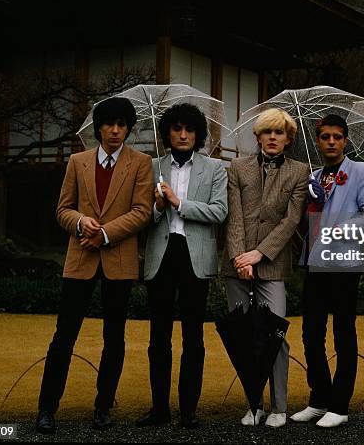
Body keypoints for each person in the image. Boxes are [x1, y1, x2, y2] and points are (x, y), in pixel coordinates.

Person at [35, 97, 153, 435]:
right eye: (109, 124)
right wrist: (80, 221)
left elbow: (142, 212)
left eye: (122, 125)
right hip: (80, 260)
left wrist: (103, 234)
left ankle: (103, 407)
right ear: (98, 127)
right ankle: (46, 409)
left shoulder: (141, 163)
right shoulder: (78, 161)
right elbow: (62, 209)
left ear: (129, 129)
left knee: (114, 338)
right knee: (63, 337)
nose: (115, 131)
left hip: (118, 261)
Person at [136, 103, 228, 429]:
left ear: (198, 133)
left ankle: (189, 409)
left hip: (195, 258)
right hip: (161, 257)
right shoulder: (149, 167)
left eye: (189, 129)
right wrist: (158, 208)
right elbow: (139, 217)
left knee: (193, 337)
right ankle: (159, 408)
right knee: (158, 337)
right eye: (176, 129)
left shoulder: (215, 168)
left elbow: (219, 212)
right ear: (168, 133)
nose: (183, 134)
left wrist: (179, 203)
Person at [291, 114, 364, 428]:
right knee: (311, 333)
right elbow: (306, 222)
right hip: (315, 264)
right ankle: (319, 398)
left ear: (345, 141)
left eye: (337, 137)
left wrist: (340, 229)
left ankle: (340, 406)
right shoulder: (313, 176)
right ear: (318, 140)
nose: (331, 142)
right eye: (325, 137)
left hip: (345, 263)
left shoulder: (360, 171)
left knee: (343, 333)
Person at [220, 107, 309, 428]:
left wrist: (258, 254)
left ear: (288, 139)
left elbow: (292, 220)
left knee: (275, 335)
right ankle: (254, 404)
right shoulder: (237, 167)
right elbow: (234, 216)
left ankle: (280, 406)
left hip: (272, 264)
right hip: (236, 265)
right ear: (257, 136)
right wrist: (239, 257)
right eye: (267, 132)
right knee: (243, 337)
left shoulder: (300, 172)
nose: (273, 137)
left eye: (279, 133)